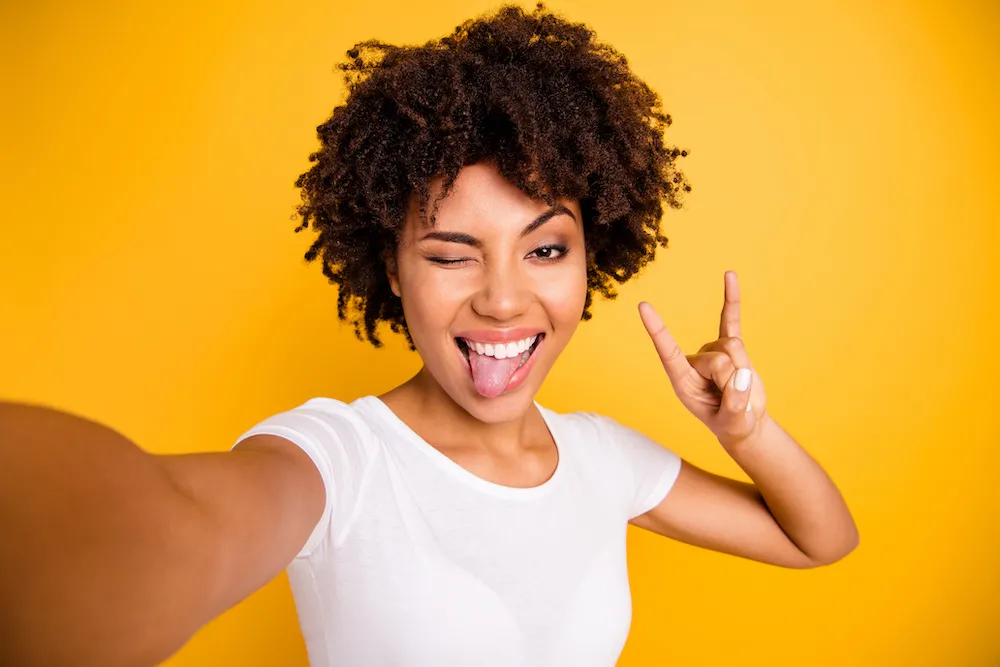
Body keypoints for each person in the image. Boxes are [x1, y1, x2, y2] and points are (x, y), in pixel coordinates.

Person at [0, 4, 858, 667]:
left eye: (546, 248)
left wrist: (745, 431)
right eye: (453, 256)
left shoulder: (603, 458)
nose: (503, 298)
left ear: (591, 256)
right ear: (393, 268)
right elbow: (174, 525)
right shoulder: (337, 459)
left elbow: (819, 539)